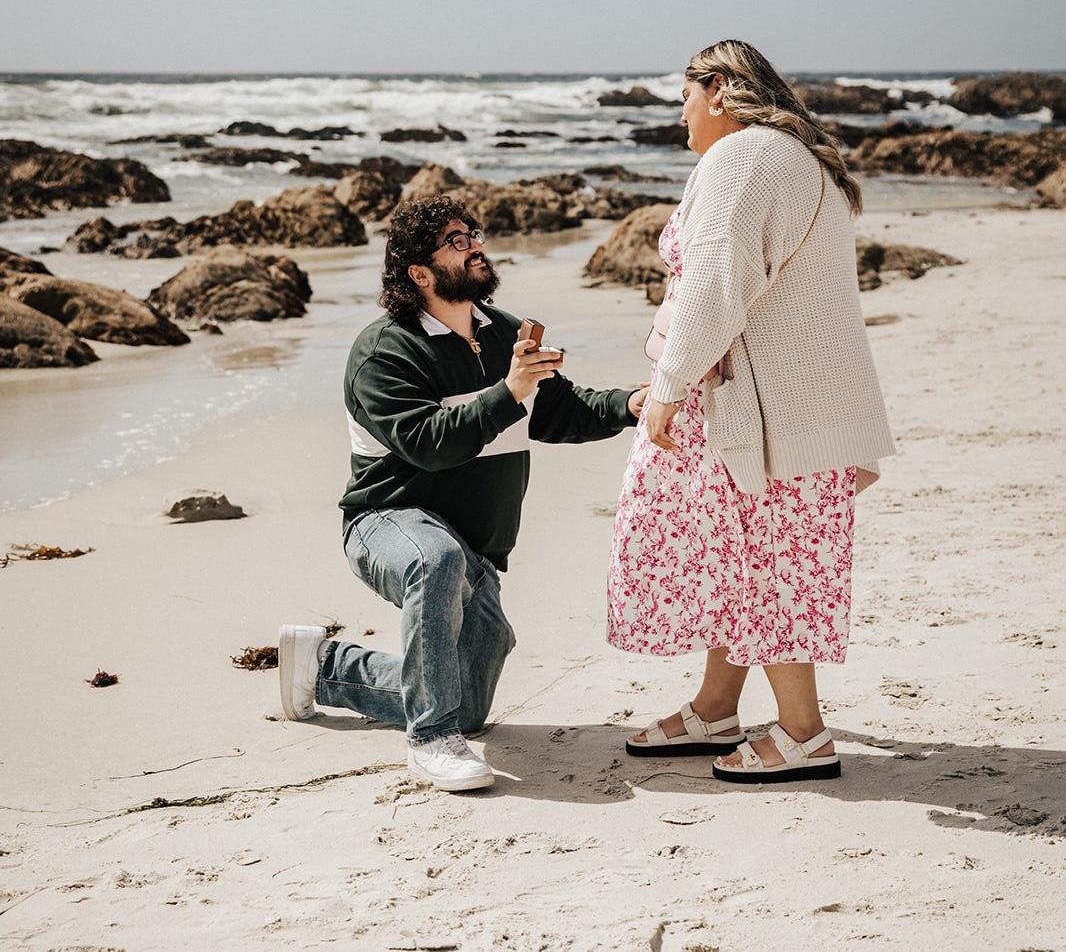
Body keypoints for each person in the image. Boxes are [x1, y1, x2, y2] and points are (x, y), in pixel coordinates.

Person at [279, 195, 647, 792]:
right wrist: (509, 391)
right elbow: (429, 443)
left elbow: (559, 410)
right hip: (386, 520)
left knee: (468, 704)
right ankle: (429, 741)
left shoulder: (504, 334)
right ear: (419, 274)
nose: (474, 244)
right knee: (436, 561)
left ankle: (323, 668)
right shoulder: (385, 351)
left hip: (473, 550)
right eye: (455, 240)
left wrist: (631, 404)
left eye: (472, 233)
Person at [607, 39, 896, 784]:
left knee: (766, 563)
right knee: (742, 557)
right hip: (796, 403)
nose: (680, 115)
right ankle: (715, 708)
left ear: (719, 89)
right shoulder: (799, 158)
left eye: (684, 97)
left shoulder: (740, 158)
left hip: (762, 409)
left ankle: (803, 733)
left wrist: (669, 385)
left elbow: (716, 284)